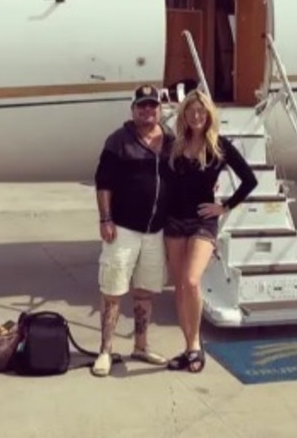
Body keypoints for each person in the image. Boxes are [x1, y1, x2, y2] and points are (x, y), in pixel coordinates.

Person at [163, 89, 258, 373]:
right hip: (174, 221)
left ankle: (195, 345)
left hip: (202, 222)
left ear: (208, 115)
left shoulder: (219, 146)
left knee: (192, 281)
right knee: (179, 287)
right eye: (191, 111)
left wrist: (224, 207)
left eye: (201, 111)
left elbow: (249, 180)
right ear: (184, 115)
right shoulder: (175, 146)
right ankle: (190, 345)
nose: (196, 116)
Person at [91, 84, 175, 377]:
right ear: (133, 109)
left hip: (155, 231)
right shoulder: (119, 140)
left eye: (152, 105)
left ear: (159, 109)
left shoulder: (169, 140)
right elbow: (103, 183)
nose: (147, 110)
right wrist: (106, 219)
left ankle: (141, 346)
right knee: (112, 291)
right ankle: (106, 350)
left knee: (145, 292)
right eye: (142, 106)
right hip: (124, 229)